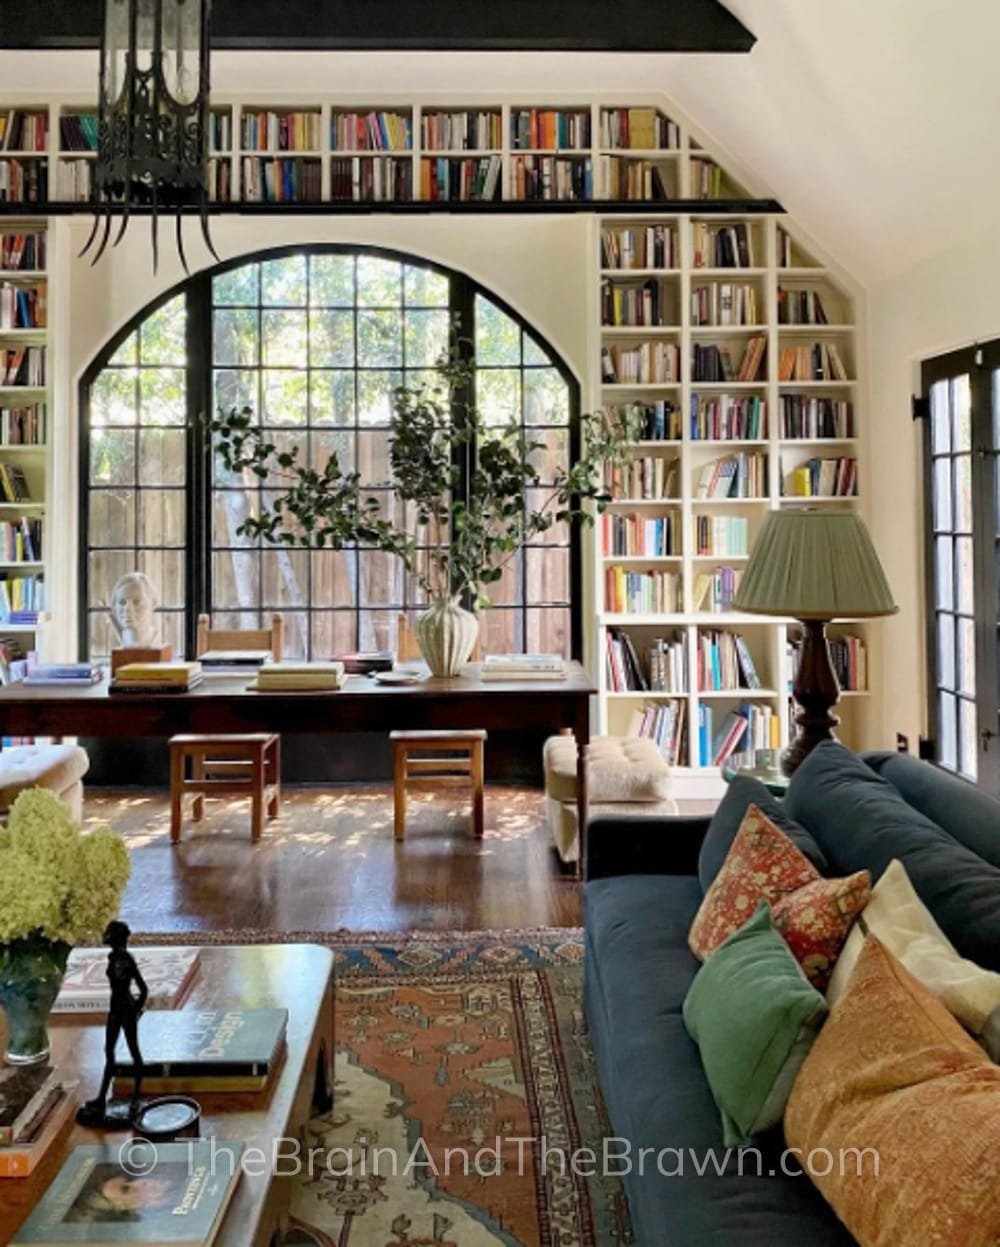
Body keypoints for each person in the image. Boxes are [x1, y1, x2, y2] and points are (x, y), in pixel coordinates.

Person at [76, 920, 148, 1126]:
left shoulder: (126, 960)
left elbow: (143, 989)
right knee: (108, 1051)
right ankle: (101, 1097)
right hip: (114, 1010)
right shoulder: (113, 957)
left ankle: (135, 1095)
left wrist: (135, 1010)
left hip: (125, 1010)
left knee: (134, 1052)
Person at [109, 572, 161, 647]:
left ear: (153, 603)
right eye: (122, 602)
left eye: (136, 602)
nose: (127, 609)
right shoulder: (114, 641)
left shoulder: (156, 640)